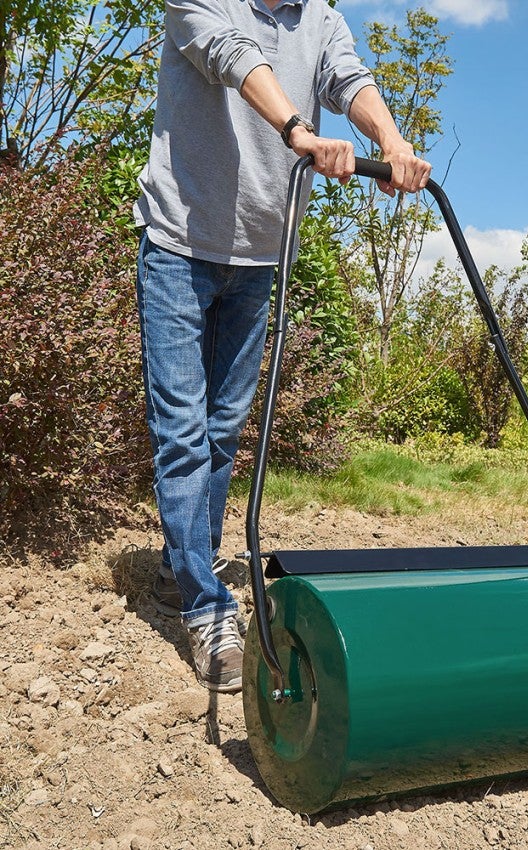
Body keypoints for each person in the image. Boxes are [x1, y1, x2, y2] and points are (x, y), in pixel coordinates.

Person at [133, 0, 430, 693]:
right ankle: (207, 608)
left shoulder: (320, 17)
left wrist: (391, 142)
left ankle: (189, 567)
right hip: (179, 243)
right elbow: (233, 55)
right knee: (181, 430)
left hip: (261, 254)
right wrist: (296, 129)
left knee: (223, 429)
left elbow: (349, 79)